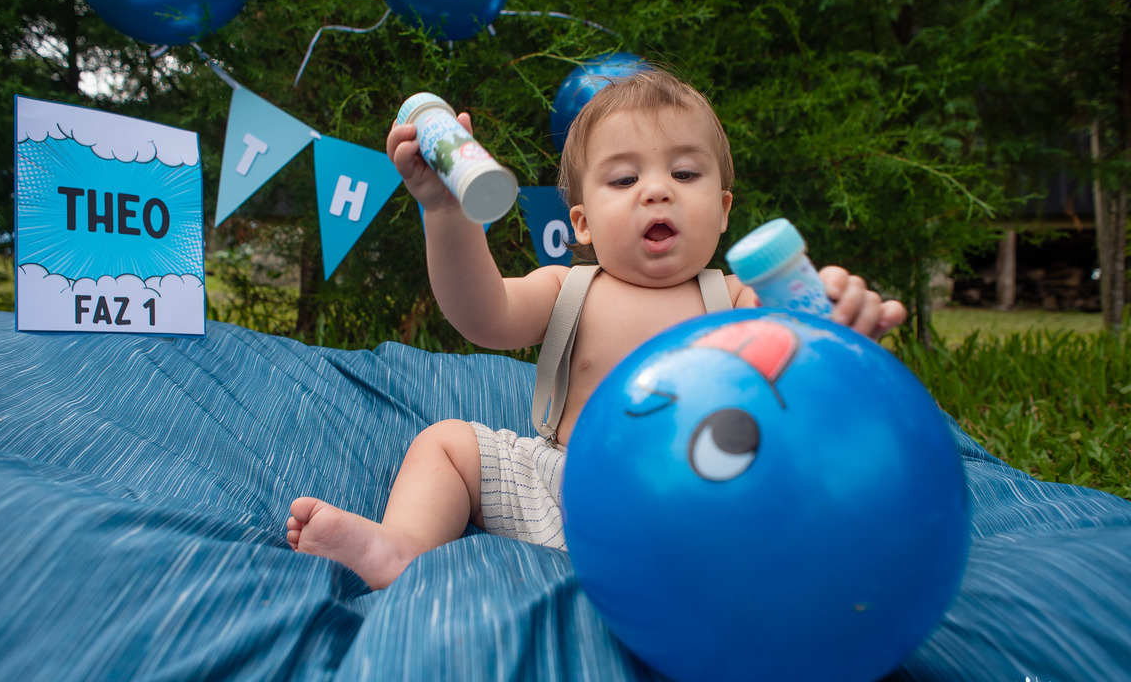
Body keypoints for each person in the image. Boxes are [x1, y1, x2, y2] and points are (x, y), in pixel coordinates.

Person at [286, 68, 907, 589]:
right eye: (624, 178)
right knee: (449, 444)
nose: (657, 191)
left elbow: (800, 374)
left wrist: (836, 323)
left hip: (693, 503)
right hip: (562, 488)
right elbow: (481, 316)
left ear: (722, 214)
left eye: (685, 174)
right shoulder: (569, 289)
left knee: (783, 499)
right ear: (581, 223)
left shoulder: (738, 301)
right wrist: (446, 211)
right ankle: (401, 549)